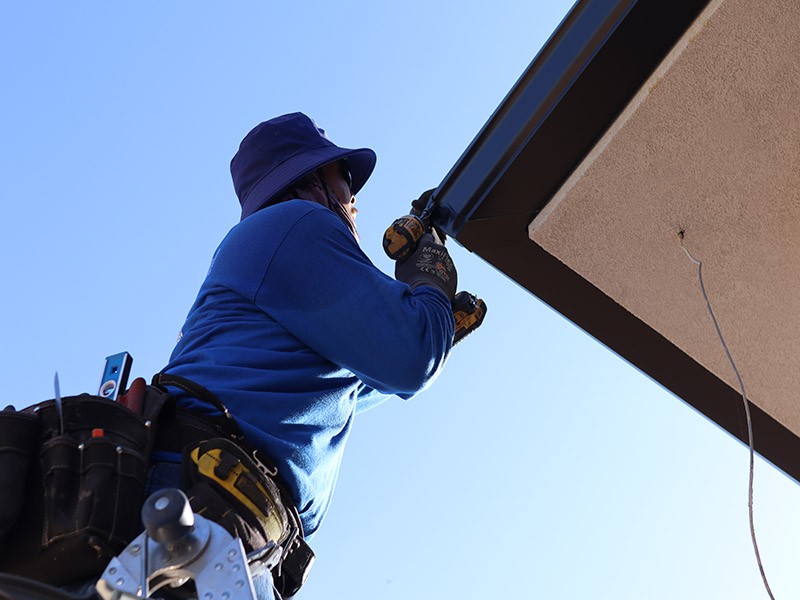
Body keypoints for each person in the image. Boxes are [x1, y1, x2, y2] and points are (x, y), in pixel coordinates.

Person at [151, 112, 458, 598]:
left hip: (212, 507)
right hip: (208, 508)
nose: (354, 200)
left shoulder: (269, 243)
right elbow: (411, 360)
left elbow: (350, 383)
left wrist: (433, 322)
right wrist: (430, 283)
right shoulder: (297, 223)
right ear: (312, 179)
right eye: (345, 178)